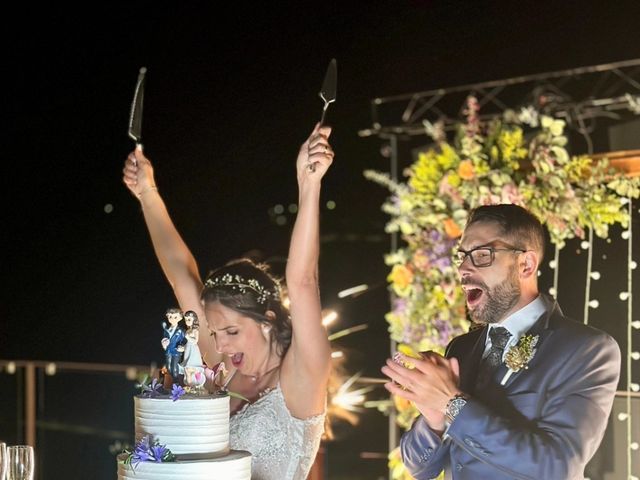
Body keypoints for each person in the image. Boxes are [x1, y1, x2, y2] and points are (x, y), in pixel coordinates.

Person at [122, 123, 334, 480]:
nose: (218, 343)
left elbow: (302, 282)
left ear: (267, 319)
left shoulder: (302, 374)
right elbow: (182, 277)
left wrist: (308, 184)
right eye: (215, 331)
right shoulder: (226, 365)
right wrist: (147, 192)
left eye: (231, 330)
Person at [382, 204, 621, 480]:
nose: (463, 268)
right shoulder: (462, 348)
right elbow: (421, 469)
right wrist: (433, 420)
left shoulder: (587, 350)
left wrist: (452, 403)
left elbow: (557, 466)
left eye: (482, 255)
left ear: (526, 264)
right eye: (462, 257)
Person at [180, 310, 206, 388]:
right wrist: (183, 348)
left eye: (189, 319)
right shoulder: (188, 330)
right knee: (187, 369)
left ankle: (196, 383)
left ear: (194, 320)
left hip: (193, 350)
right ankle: (190, 386)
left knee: (192, 367)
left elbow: (195, 341)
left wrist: (188, 337)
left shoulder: (195, 330)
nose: (187, 321)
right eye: (186, 319)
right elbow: (188, 343)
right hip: (188, 349)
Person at [161, 307, 186, 382]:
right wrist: (164, 343)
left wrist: (183, 347)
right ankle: (172, 382)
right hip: (168, 351)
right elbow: (165, 338)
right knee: (168, 367)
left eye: (175, 317)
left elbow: (185, 340)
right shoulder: (167, 330)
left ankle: (177, 383)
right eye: (170, 317)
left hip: (176, 352)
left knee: (175, 367)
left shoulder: (181, 331)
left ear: (180, 318)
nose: (172, 319)